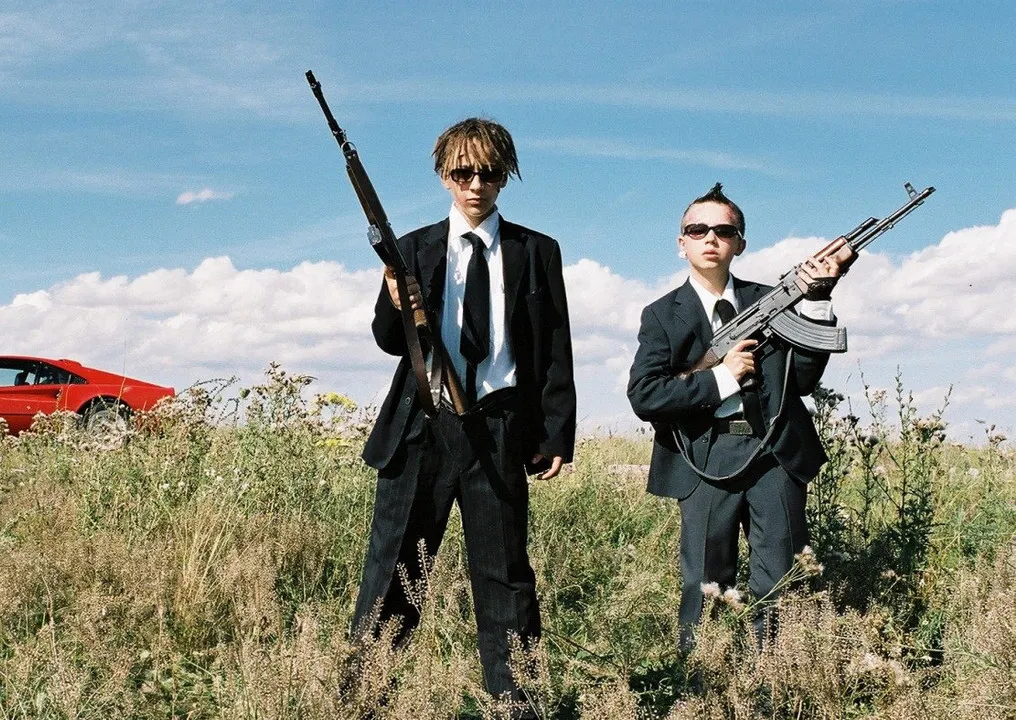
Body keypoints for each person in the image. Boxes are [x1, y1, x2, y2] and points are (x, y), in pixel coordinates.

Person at [346, 117, 576, 715]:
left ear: (506, 175)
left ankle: (516, 706)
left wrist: (556, 432)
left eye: (490, 173)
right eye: (463, 172)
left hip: (498, 427)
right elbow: (389, 341)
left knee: (505, 575)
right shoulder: (412, 248)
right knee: (393, 571)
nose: (476, 184)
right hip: (421, 426)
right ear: (444, 175)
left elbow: (553, 347)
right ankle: (362, 702)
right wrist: (393, 299)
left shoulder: (536, 250)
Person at [626, 183, 848, 652]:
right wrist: (721, 378)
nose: (711, 238)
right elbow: (645, 395)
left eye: (724, 231)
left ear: (740, 243)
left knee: (781, 579)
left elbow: (802, 379)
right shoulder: (662, 314)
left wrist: (818, 298)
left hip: (774, 452)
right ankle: (703, 677)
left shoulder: (774, 301)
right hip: (705, 456)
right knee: (705, 582)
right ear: (681, 243)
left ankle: (773, 676)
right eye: (697, 230)